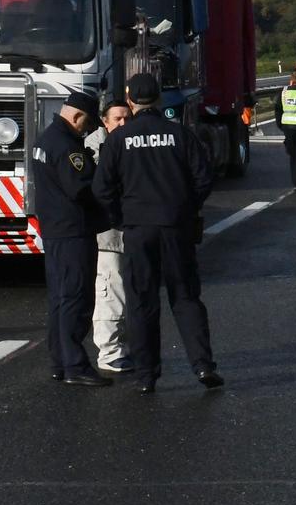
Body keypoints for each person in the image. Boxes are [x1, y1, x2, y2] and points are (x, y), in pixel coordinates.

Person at [92, 72, 223, 394]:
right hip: (176, 227)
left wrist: (121, 217)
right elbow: (204, 177)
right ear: (160, 99)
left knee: (142, 301)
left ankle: (146, 375)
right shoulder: (180, 134)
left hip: (137, 229)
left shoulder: (119, 139)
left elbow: (102, 188)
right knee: (186, 297)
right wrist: (186, 207)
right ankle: (203, 366)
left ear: (130, 99)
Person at [32, 89, 111, 387]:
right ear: (77, 116)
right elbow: (82, 188)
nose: (87, 130)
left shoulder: (45, 139)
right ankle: (75, 364)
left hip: (54, 231)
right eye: (87, 124)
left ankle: (60, 361)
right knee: (76, 299)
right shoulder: (67, 147)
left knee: (59, 299)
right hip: (73, 231)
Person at [85, 99, 134, 374]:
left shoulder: (125, 143)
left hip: (125, 231)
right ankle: (109, 350)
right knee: (110, 290)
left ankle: (122, 348)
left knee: (123, 291)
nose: (123, 123)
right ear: (105, 121)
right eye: (117, 118)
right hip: (108, 234)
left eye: (127, 118)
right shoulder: (96, 147)